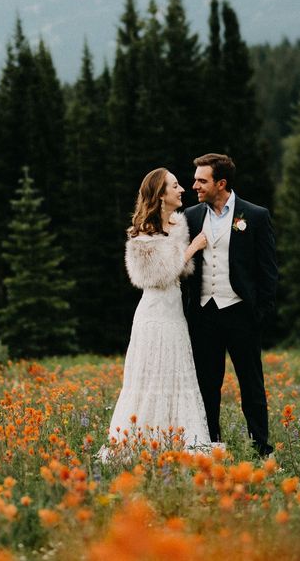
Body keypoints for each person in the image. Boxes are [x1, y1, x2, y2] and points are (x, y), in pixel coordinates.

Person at [100, 167, 210, 461]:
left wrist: (187, 250)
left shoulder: (177, 225)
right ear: (161, 195)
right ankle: (142, 442)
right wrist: (192, 248)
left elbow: (182, 271)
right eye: (175, 186)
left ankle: (177, 440)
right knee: (151, 379)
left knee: (177, 377)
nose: (181, 189)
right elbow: (159, 276)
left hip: (175, 316)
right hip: (154, 317)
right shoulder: (141, 239)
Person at [184, 153, 278, 456]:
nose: (195, 185)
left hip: (241, 313)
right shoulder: (191, 216)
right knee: (206, 385)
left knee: (251, 384)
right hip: (204, 314)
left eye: (202, 180)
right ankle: (211, 445)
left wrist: (260, 313)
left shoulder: (256, 215)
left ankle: (260, 448)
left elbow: (268, 270)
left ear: (220, 183)